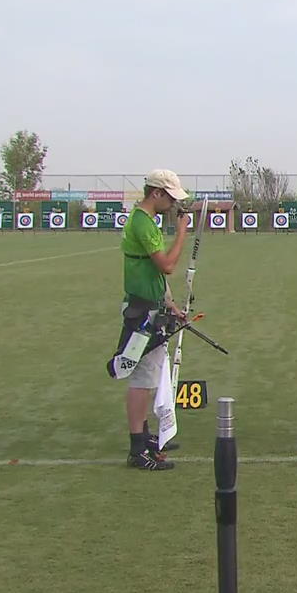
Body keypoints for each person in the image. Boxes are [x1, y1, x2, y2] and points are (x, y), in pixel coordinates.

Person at [108, 170, 191, 471]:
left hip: (151, 307)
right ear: (156, 193)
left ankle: (144, 439)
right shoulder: (143, 223)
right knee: (142, 380)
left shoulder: (146, 221)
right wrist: (182, 232)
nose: (172, 204)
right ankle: (137, 449)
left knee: (150, 377)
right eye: (170, 198)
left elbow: (155, 274)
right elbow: (167, 265)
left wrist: (169, 305)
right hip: (142, 312)